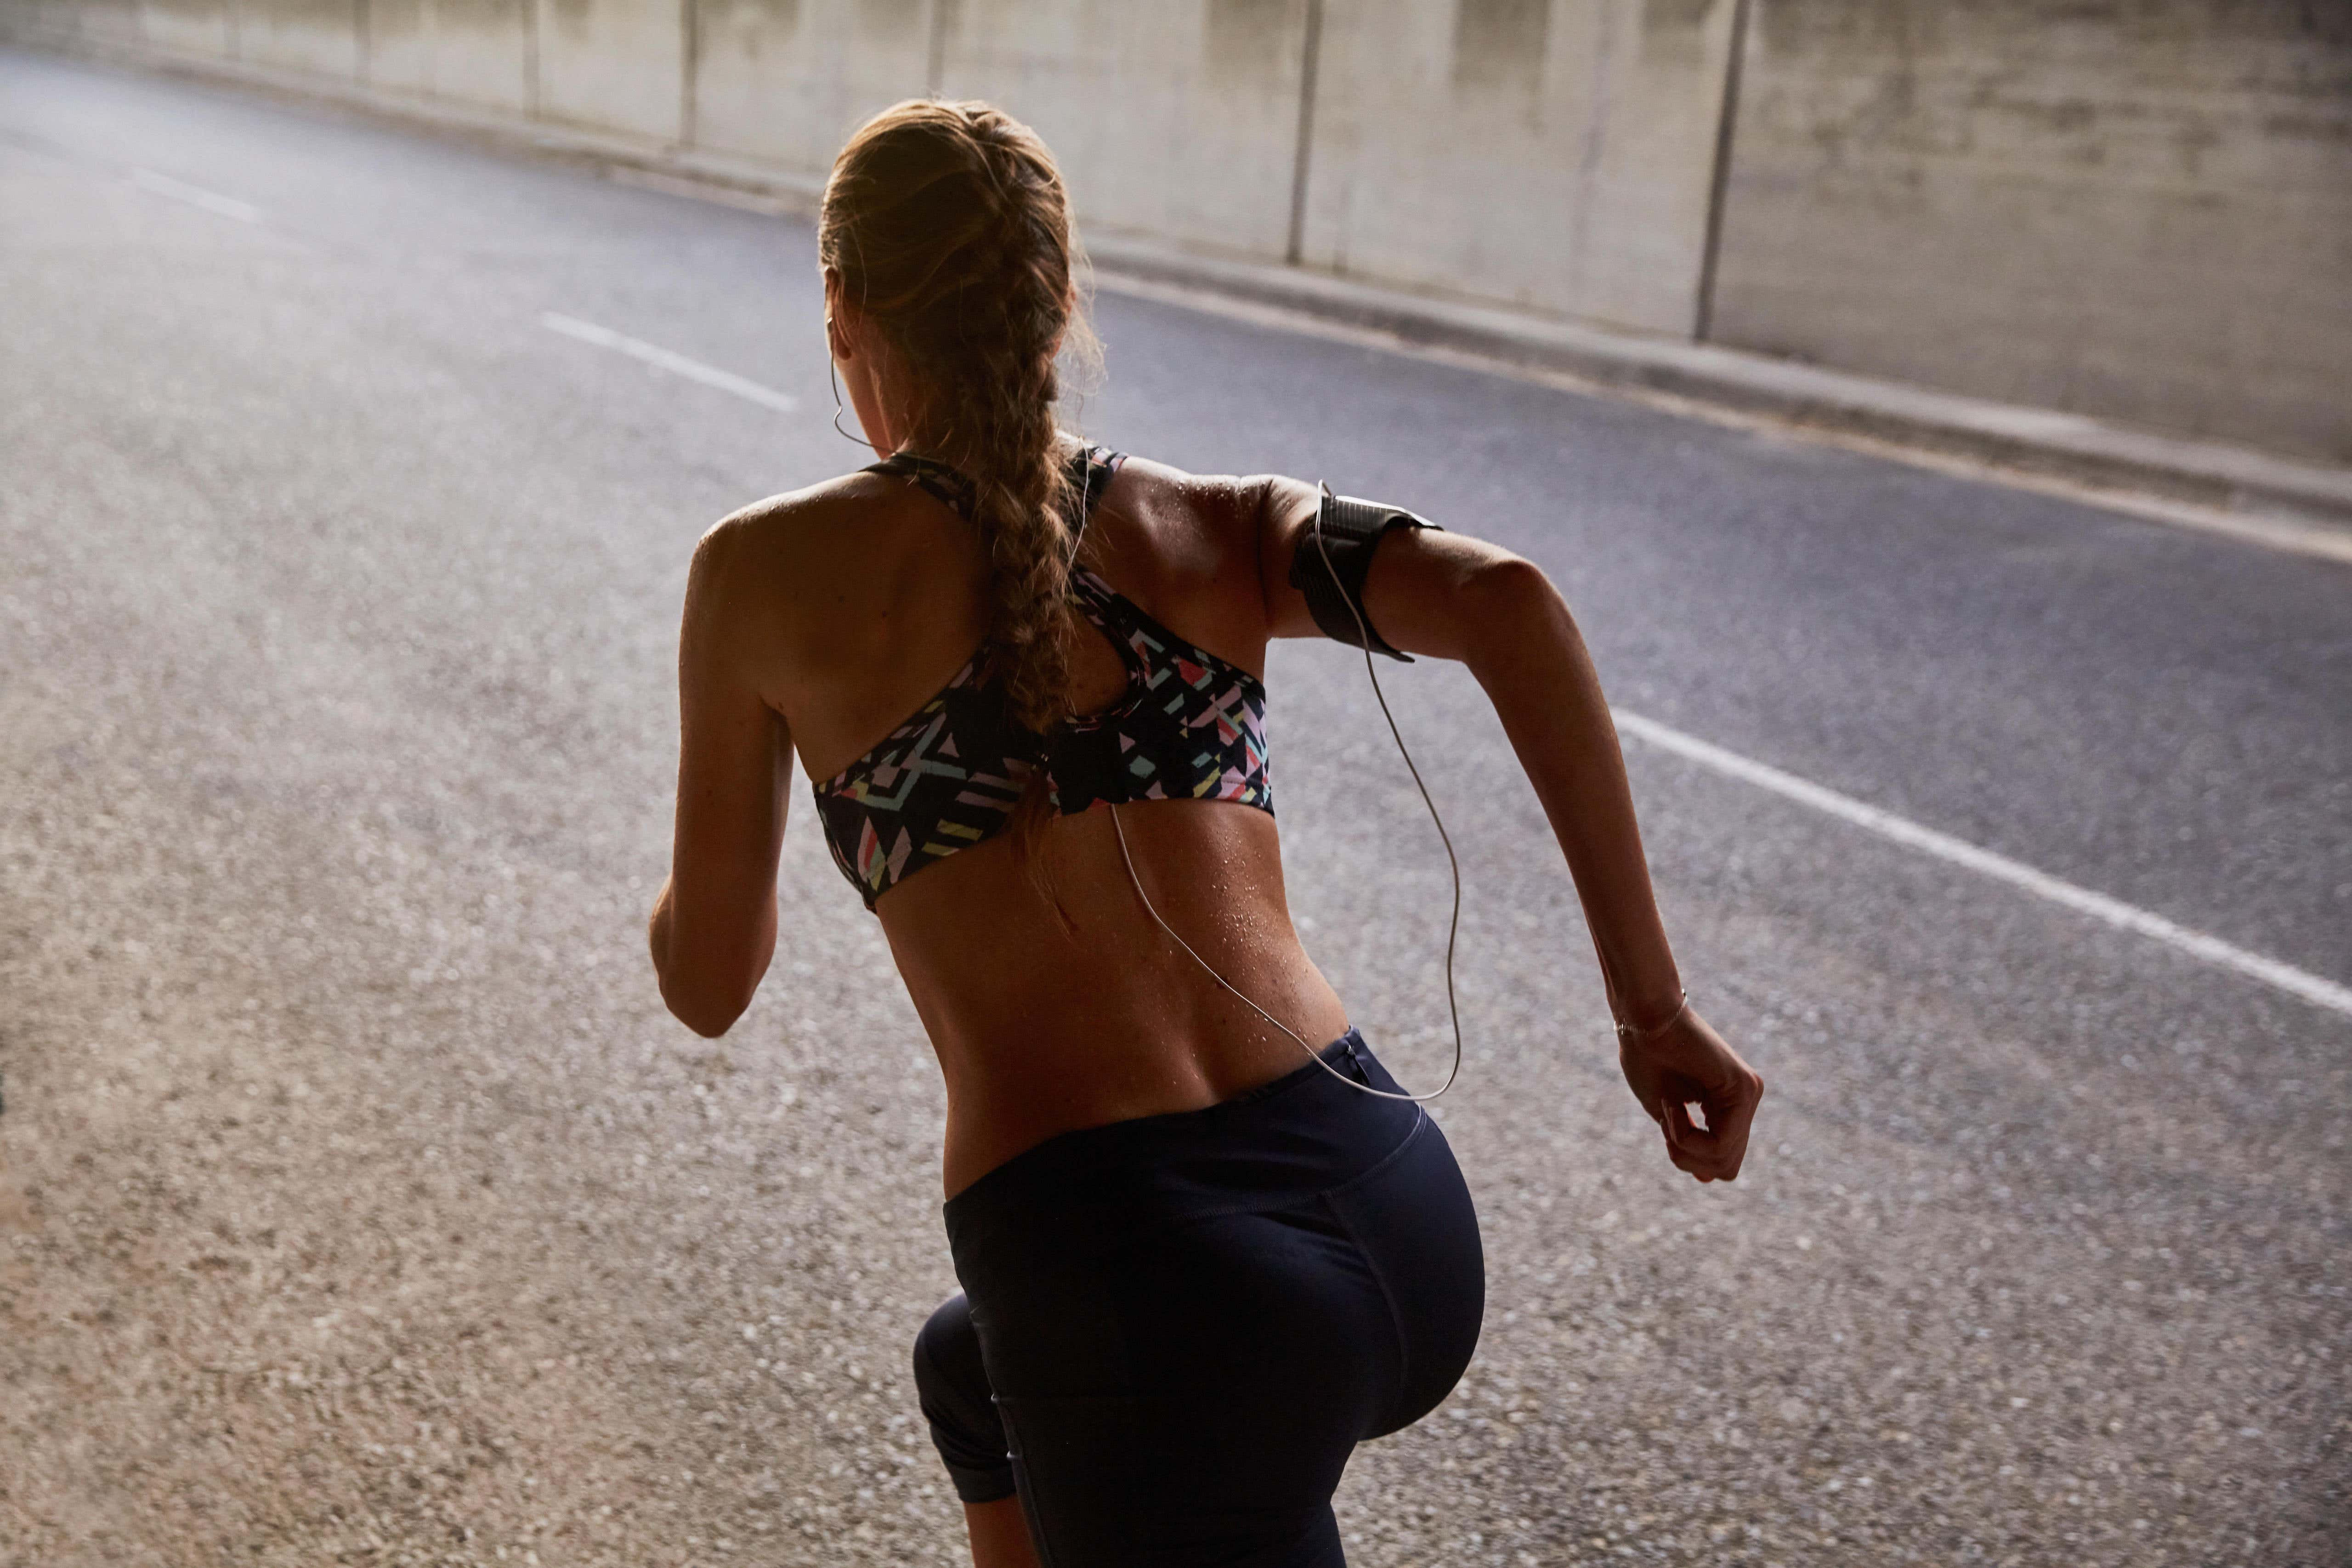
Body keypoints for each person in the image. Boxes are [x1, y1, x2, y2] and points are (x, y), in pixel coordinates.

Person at [647, 99, 1765, 1568]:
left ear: (843, 304)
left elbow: (709, 986)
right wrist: (1655, 1012)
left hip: (1154, 1283)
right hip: (1390, 1208)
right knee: (968, 1369)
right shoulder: (1213, 521)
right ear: (1054, 304)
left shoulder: (758, 570)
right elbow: (1510, 603)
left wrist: (706, 875)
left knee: (1133, 1395)